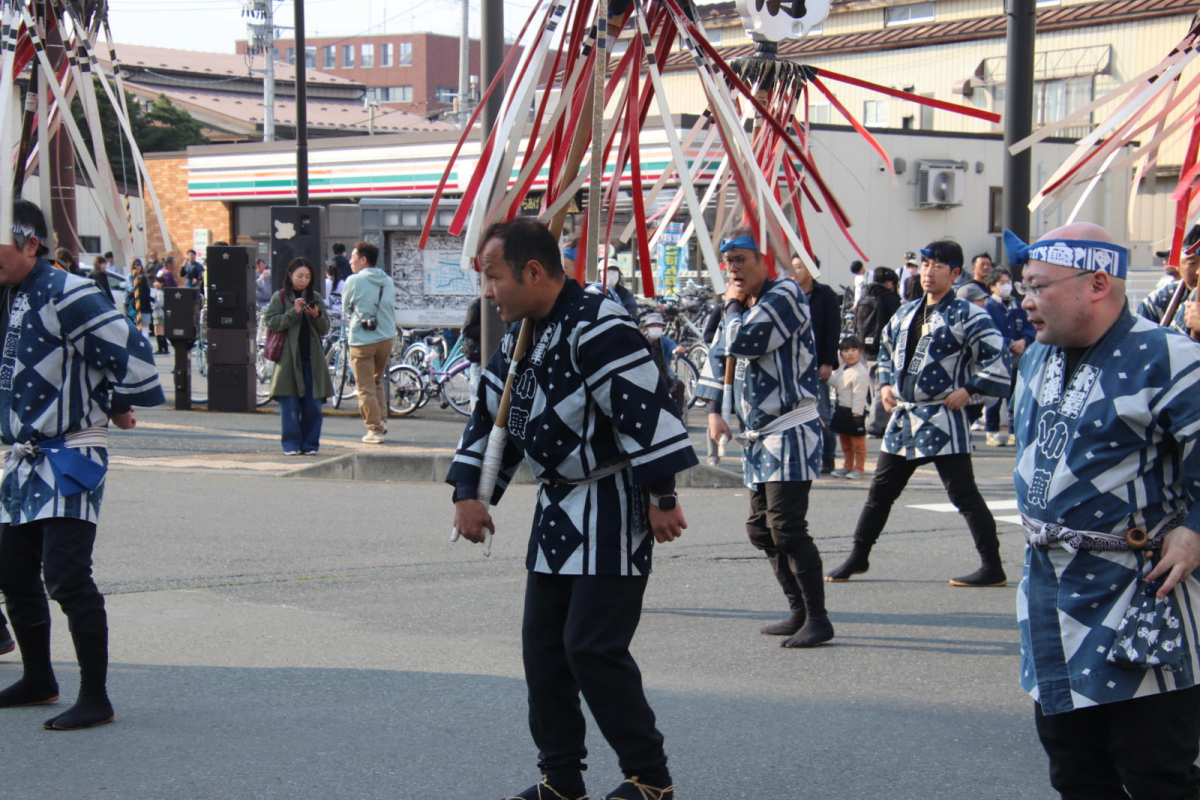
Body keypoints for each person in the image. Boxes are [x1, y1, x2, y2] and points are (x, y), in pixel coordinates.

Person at [448, 218, 695, 800]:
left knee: (591, 648)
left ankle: (651, 780)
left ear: (533, 272)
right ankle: (560, 780)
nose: (488, 291)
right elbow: (493, 416)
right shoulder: (523, 335)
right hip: (558, 509)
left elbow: (647, 412)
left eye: (494, 276)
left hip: (613, 503)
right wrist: (470, 492)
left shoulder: (602, 326)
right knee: (543, 649)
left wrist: (662, 495)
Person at [1003, 222, 1200, 799]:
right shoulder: (1039, 356)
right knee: (1073, 766)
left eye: (1040, 286)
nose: (1028, 301)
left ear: (1096, 283)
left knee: (1154, 770)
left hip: (1142, 591)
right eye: (1023, 287)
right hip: (1049, 588)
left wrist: (1195, 527)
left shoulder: (1169, 357)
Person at [0, 199, 165, 731]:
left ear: (31, 244)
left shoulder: (70, 291)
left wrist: (118, 401)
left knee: (67, 576)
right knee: (13, 572)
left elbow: (131, 352)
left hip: (69, 452)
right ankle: (39, 678)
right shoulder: (9, 293)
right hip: (22, 457)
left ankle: (96, 696)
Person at [826, 239, 1011, 586]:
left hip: (942, 415)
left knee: (963, 494)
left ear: (955, 273)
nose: (929, 271)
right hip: (904, 416)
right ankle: (859, 555)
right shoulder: (905, 311)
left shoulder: (970, 314)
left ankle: (992, 565)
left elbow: (997, 358)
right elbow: (884, 353)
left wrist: (968, 390)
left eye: (938, 266)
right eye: (926, 264)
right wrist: (883, 385)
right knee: (880, 491)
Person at [698, 228, 834, 649]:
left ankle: (818, 617)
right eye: (728, 261)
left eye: (741, 259)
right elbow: (717, 353)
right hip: (759, 436)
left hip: (791, 428)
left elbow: (745, 341)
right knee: (762, 530)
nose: (733, 269)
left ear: (763, 260)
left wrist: (733, 306)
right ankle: (797, 609)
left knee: (787, 526)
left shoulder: (786, 294)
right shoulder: (742, 305)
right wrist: (715, 411)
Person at [264, 258, 334, 455]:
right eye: (299, 276)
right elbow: (271, 322)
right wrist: (293, 313)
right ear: (290, 275)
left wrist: (316, 315)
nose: (303, 280)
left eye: (307, 276)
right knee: (290, 406)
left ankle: (311, 444)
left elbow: (325, 327)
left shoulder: (316, 297)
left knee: (313, 406)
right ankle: (291, 445)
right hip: (288, 359)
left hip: (312, 359)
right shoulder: (280, 297)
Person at [790, 253, 841, 474]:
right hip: (791, 364)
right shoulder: (787, 293)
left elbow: (833, 330)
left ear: (811, 270)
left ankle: (828, 457)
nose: (795, 271)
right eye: (793, 266)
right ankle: (800, 454)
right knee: (793, 412)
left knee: (822, 412)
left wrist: (828, 362)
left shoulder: (826, 294)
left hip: (816, 362)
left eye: (799, 267)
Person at [342, 241, 396, 444]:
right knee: (376, 380)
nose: (350, 261)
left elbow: (347, 308)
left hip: (362, 340)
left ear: (363, 260)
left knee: (364, 386)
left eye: (353, 257)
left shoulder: (354, 280)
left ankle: (375, 429)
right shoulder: (387, 281)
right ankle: (382, 419)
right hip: (386, 338)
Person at [983, 266, 1033, 447]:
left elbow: (1030, 326)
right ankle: (992, 431)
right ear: (992, 286)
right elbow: (989, 331)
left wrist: (1025, 340)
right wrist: (1009, 341)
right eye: (1002, 283)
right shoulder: (988, 306)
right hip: (997, 358)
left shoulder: (1017, 305)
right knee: (994, 397)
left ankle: (1013, 431)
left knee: (1016, 397)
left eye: (1008, 282)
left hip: (1018, 358)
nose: (1006, 286)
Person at [856, 266, 902, 437]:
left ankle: (871, 420)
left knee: (869, 388)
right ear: (890, 282)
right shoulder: (890, 298)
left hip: (863, 348)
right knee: (880, 388)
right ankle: (874, 426)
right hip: (881, 349)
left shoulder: (864, 295)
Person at [828, 336, 869, 479]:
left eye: (853, 349)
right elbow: (837, 384)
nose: (850, 353)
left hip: (855, 412)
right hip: (842, 409)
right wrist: (826, 376)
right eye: (845, 350)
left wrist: (857, 415)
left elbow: (860, 395)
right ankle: (847, 466)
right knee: (845, 442)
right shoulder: (842, 369)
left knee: (858, 444)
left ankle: (859, 468)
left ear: (861, 352)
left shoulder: (860, 372)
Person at [641, 311, 686, 420]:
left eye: (658, 325)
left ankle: (677, 415)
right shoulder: (641, 341)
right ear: (646, 328)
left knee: (678, 385)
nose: (656, 328)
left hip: (663, 376)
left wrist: (677, 349)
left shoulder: (664, 341)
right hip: (645, 377)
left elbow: (672, 347)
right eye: (652, 325)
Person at [130, 261, 152, 334]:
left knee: (144, 326)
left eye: (139, 265)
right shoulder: (131, 276)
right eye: (136, 265)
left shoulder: (143, 279)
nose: (138, 267)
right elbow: (129, 289)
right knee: (137, 325)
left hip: (143, 308)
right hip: (136, 307)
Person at [150, 278, 168, 354]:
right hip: (158, 313)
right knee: (158, 332)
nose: (154, 283)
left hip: (159, 314)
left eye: (156, 282)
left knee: (158, 332)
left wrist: (153, 306)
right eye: (154, 282)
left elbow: (160, 303)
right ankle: (163, 349)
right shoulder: (157, 291)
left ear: (161, 283)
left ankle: (161, 349)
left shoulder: (160, 293)